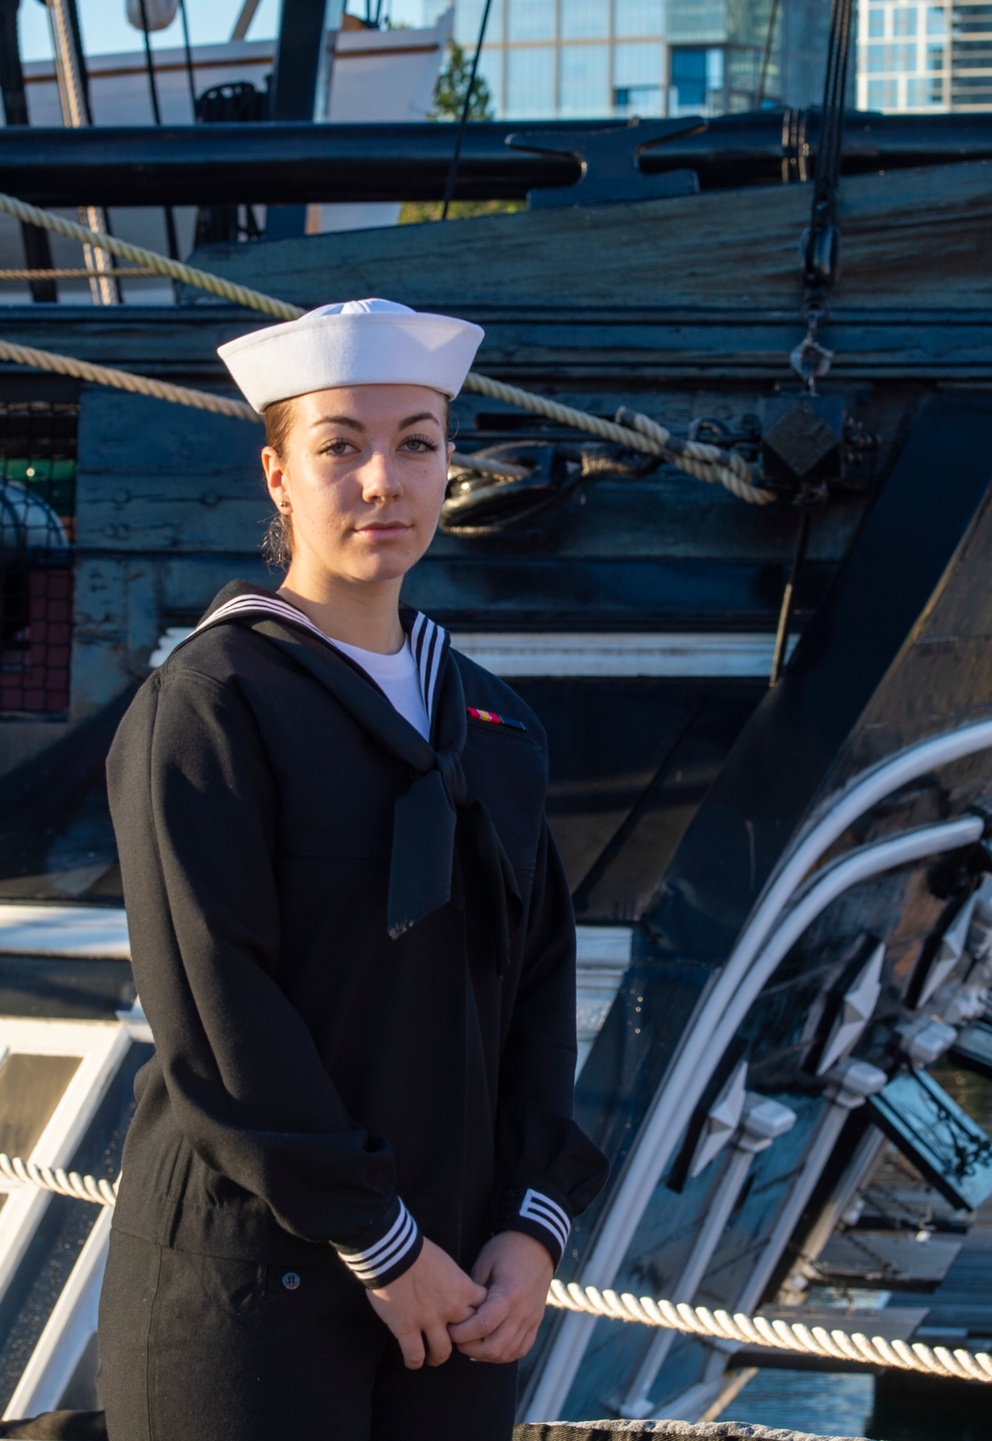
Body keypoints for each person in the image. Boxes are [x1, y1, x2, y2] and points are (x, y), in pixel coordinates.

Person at [97, 299, 608, 1441]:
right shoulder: (214, 703)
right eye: (341, 445)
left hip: (460, 1293)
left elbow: (534, 998)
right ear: (277, 476)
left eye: (418, 443)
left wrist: (531, 1230)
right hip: (246, 1294)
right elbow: (219, 1011)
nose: (384, 479)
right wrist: (378, 1239)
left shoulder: (495, 725)